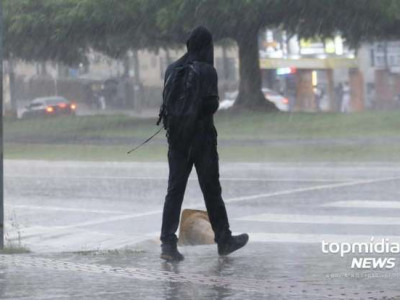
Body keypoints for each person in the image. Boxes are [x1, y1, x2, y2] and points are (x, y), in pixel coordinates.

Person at [159, 26, 248, 262]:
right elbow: (210, 105)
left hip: (177, 142)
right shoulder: (207, 71)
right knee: (211, 190)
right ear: (207, 47)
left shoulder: (171, 70)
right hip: (202, 140)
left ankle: (167, 243)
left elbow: (167, 106)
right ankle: (224, 239)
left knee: (174, 190)